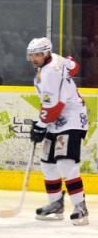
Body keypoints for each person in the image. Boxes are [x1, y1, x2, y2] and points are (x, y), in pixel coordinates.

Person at [27, 37, 89, 225]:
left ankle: (80, 207)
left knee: (65, 162)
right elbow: (75, 66)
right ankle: (55, 204)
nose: (33, 59)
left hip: (71, 118)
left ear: (45, 53)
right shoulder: (56, 59)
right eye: (31, 55)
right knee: (48, 163)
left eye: (37, 55)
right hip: (56, 118)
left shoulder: (49, 73)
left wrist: (40, 125)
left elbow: (54, 107)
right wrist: (43, 122)